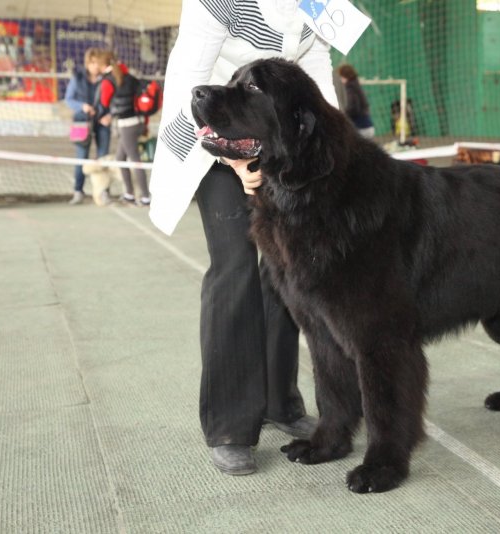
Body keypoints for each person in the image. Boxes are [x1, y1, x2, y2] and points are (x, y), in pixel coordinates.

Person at [148, 0, 340, 476]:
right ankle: (230, 425)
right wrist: (237, 160)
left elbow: (316, 78)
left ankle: (280, 399)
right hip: (208, 131)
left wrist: (335, 150)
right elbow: (187, 86)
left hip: (273, 141)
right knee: (234, 264)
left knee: (284, 265)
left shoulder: (323, 4)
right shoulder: (216, 3)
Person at [95, 50, 151, 206]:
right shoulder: (129, 76)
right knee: (120, 158)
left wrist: (107, 114)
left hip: (127, 125)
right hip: (137, 122)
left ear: (102, 65)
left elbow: (105, 102)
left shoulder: (108, 80)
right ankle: (129, 194)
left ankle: (146, 197)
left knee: (135, 161)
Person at [64, 47, 111, 205]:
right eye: (93, 63)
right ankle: (78, 191)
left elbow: (113, 100)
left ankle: (103, 191)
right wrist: (82, 107)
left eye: (98, 63)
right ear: (87, 63)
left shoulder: (107, 78)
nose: (96, 66)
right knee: (81, 157)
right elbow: (68, 99)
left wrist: (109, 115)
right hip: (81, 122)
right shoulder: (77, 77)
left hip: (102, 121)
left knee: (103, 157)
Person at [337, 64, 374, 138]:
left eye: (341, 76)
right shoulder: (356, 85)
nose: (341, 79)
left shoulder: (350, 87)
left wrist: (343, 116)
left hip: (361, 128)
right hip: (368, 126)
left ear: (345, 76)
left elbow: (353, 107)